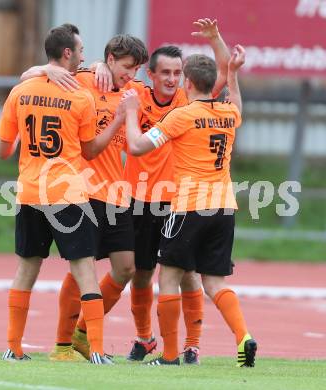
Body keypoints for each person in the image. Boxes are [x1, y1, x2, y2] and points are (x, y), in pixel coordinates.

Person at [92, 18, 229, 364]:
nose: (171, 79)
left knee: (186, 275)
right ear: (149, 75)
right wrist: (97, 66)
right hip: (137, 200)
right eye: (164, 72)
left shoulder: (189, 99)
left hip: (178, 202)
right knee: (140, 274)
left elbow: (224, 71)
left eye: (176, 72)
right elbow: (103, 76)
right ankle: (143, 339)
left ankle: (192, 345)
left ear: (184, 76)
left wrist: (215, 39)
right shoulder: (134, 94)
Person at [121, 44, 257, 366]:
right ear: (213, 84)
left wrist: (129, 114)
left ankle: (168, 356)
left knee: (168, 278)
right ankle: (243, 336)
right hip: (223, 209)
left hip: (187, 208)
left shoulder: (181, 116)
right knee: (213, 282)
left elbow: (138, 147)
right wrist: (234, 74)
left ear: (189, 84)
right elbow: (236, 103)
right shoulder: (227, 114)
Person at [21, 34, 149, 361]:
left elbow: (175, 99)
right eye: (126, 66)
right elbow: (28, 77)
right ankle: (63, 344)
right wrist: (45, 70)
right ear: (108, 59)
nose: (131, 73)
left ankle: (81, 334)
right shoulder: (82, 81)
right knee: (81, 270)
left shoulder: (134, 94)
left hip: (115, 193)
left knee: (125, 268)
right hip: (83, 190)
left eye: (136, 69)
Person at [0, 23, 113, 364]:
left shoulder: (21, 91)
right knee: (85, 271)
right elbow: (90, 151)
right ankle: (98, 351)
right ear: (67, 53)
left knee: (26, 271)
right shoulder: (81, 96)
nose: (82, 54)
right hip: (67, 194)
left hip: (31, 191)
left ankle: (13, 348)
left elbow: (4, 149)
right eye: (79, 49)